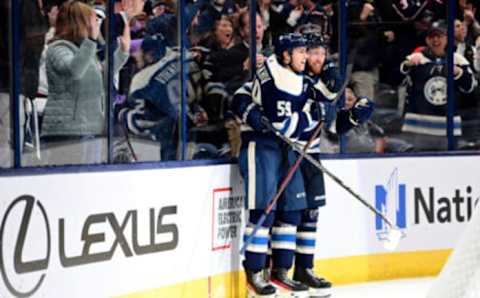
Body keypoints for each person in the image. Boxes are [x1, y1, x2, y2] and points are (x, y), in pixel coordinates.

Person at [233, 32, 324, 298]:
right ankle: (254, 275)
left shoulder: (300, 79)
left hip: (286, 150)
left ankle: (281, 272)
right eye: (300, 52)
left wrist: (325, 112)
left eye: (307, 51)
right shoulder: (273, 78)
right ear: (286, 55)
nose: (305, 57)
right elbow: (283, 126)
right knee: (264, 212)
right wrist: (311, 118)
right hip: (262, 148)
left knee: (291, 212)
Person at [292, 31, 374, 298]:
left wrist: (353, 117)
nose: (317, 58)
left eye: (321, 53)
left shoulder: (322, 81)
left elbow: (332, 125)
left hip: (312, 154)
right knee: (288, 215)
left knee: (311, 213)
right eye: (312, 52)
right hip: (290, 154)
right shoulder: (294, 79)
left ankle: (304, 269)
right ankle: (279, 271)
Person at [40, 0, 130, 165]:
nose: (97, 23)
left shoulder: (85, 50)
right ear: (79, 22)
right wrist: (92, 40)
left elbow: (101, 77)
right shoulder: (58, 48)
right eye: (93, 19)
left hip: (89, 128)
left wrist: (122, 52)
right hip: (66, 131)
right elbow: (75, 71)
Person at [399, 19, 477, 151]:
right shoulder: (416, 58)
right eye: (432, 37)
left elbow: (470, 89)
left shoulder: (457, 59)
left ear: (447, 38)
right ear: (427, 40)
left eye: (439, 36)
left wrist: (459, 73)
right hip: (417, 127)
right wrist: (407, 65)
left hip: (448, 129)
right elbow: (395, 80)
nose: (435, 40)